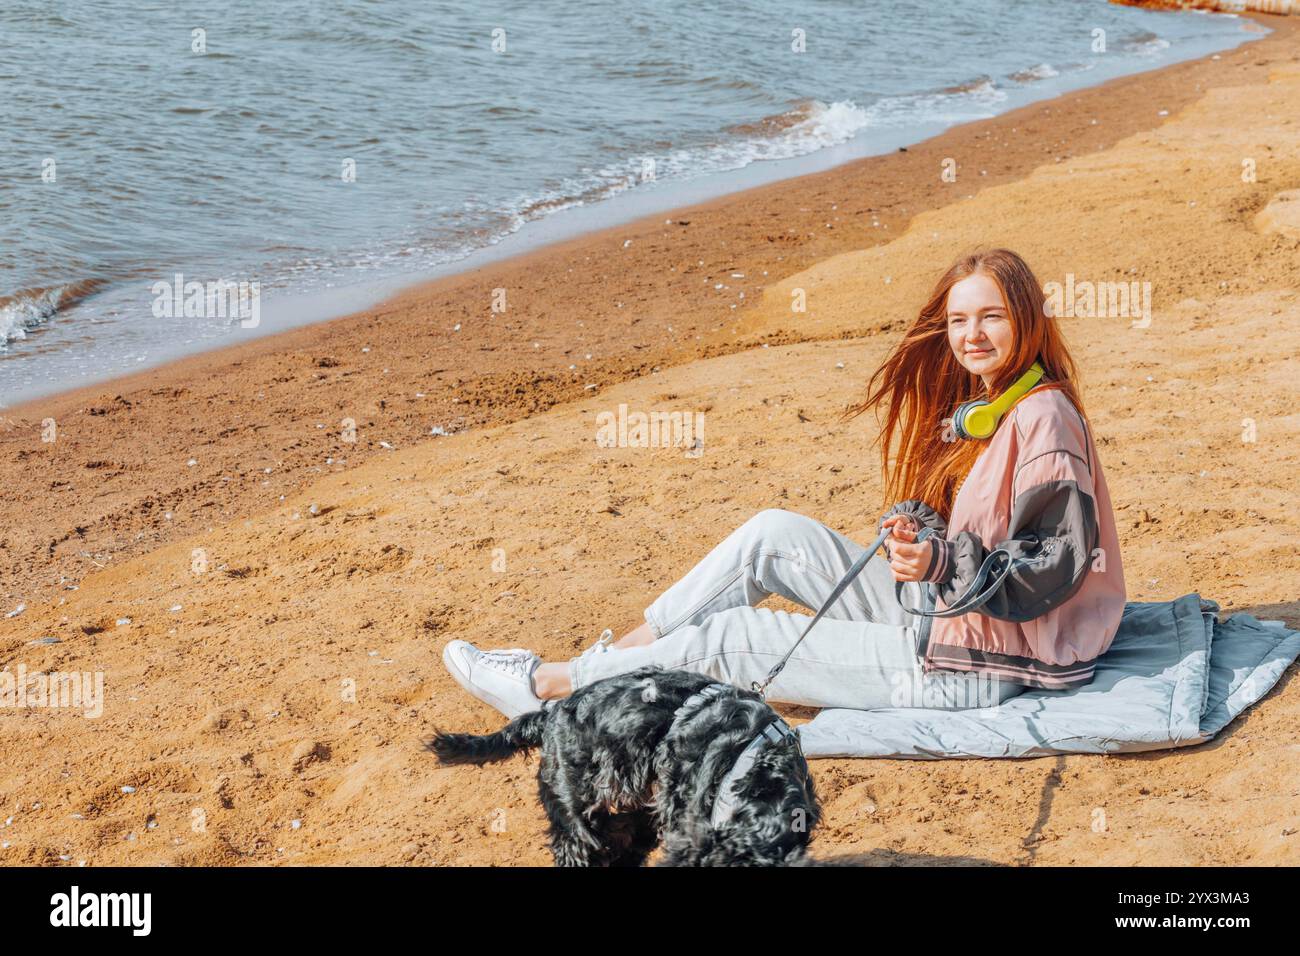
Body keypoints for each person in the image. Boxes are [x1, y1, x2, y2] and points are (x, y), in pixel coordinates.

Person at [442, 248, 1127, 718]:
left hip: (980, 669)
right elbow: (989, 528)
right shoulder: (996, 405)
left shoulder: (1043, 418)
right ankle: (603, 662)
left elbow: (1053, 563)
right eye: (957, 319)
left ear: (1027, 319)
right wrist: (926, 531)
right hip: (954, 622)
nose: (970, 334)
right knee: (771, 534)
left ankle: (547, 686)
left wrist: (945, 560)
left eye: (991, 317)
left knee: (734, 639)